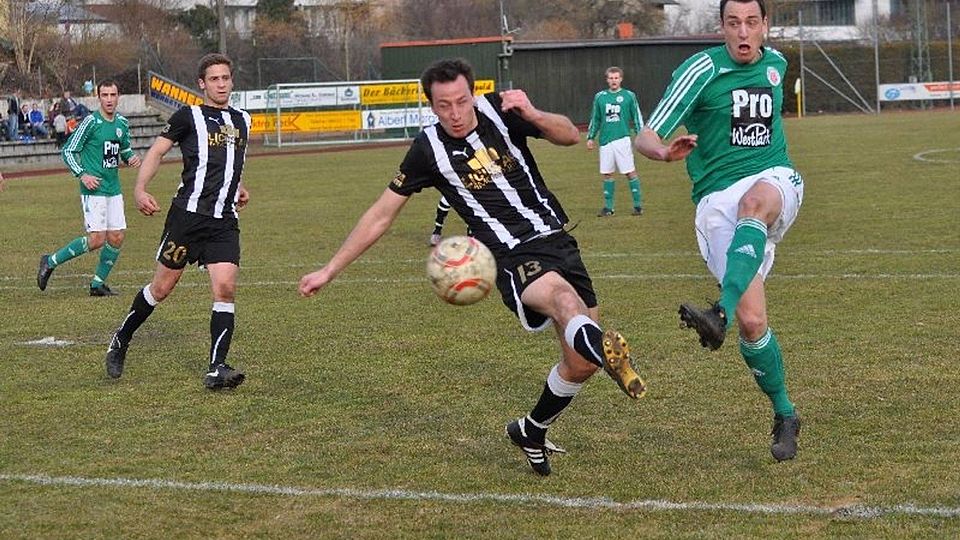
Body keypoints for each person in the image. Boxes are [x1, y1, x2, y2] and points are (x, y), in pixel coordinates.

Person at [299, 58, 646, 477]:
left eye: (462, 101)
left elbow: (569, 136)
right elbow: (381, 214)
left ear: (472, 93)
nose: (456, 113)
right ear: (431, 106)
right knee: (562, 301)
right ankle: (610, 356)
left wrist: (532, 113)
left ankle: (531, 430)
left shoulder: (501, 109)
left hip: (559, 239)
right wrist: (329, 269)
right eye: (444, 105)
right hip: (510, 254)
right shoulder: (427, 149)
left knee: (578, 364)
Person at [634, 0, 804, 462]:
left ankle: (717, 312)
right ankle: (785, 412)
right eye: (734, 23)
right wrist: (663, 153)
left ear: (766, 26)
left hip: (773, 180)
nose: (744, 33)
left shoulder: (777, 64)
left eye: (753, 23)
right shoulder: (700, 70)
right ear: (722, 27)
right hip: (715, 201)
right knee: (754, 323)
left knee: (755, 203)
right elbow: (646, 133)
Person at [103, 53, 251, 390]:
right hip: (187, 218)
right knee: (162, 288)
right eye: (214, 79)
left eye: (225, 77)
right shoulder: (188, 117)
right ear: (202, 83)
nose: (221, 84)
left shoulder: (243, 119)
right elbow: (156, 152)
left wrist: (239, 186)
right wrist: (140, 189)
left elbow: (230, 163)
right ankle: (121, 339)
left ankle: (217, 368)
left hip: (224, 220)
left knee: (225, 288)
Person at [37, 80, 141, 296]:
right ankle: (50, 261)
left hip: (114, 188)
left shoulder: (122, 122)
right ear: (98, 97)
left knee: (117, 237)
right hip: (94, 190)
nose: (110, 99)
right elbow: (68, 151)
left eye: (113, 95)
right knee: (96, 240)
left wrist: (131, 157)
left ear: (118, 96)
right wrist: (82, 175)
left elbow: (124, 149)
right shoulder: (90, 122)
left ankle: (97, 284)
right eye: (105, 95)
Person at [586, 67, 644, 217]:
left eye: (616, 78)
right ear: (607, 80)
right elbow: (596, 118)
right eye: (611, 78)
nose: (614, 81)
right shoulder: (600, 97)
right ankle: (608, 208)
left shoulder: (629, 96)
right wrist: (591, 137)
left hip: (622, 139)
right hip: (605, 141)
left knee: (629, 172)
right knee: (607, 173)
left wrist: (641, 135)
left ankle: (638, 206)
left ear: (621, 79)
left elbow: (636, 117)